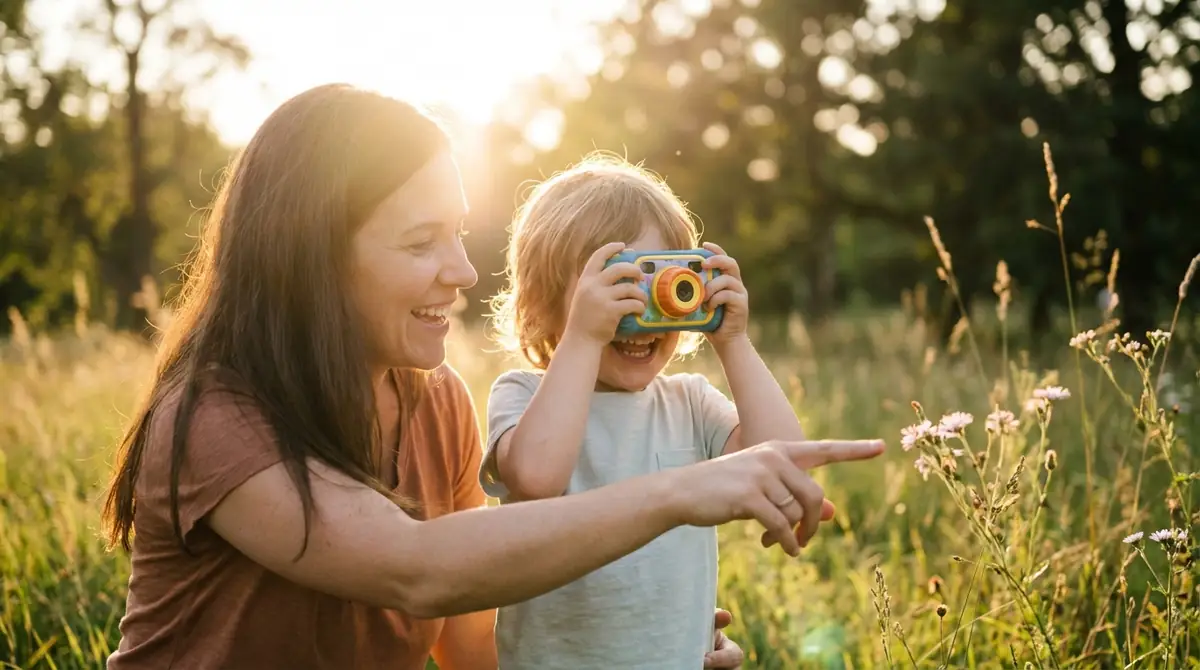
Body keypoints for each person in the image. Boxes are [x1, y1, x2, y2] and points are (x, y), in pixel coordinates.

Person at [99, 83, 886, 670]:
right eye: (420, 243)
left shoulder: (433, 401)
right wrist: (681, 491)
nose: (465, 271)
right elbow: (418, 572)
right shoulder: (213, 418)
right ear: (310, 258)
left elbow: (469, 635)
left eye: (459, 235)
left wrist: (630, 652)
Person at [480, 155, 822, 668]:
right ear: (544, 302)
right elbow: (536, 478)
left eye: (663, 280)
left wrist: (733, 342)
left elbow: (785, 464)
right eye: (618, 285)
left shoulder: (690, 402)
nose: (639, 312)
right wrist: (583, 335)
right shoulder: (523, 396)